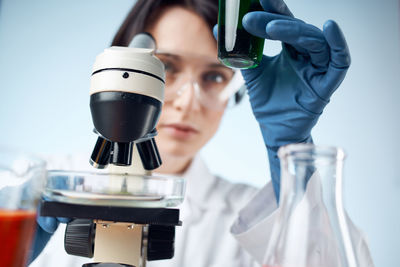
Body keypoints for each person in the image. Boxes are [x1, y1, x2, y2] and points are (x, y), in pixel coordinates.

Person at [30, 0, 373, 266]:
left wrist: (293, 153)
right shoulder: (33, 187)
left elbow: (328, 258)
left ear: (234, 88)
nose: (188, 103)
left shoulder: (252, 216)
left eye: (213, 76)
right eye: (166, 67)